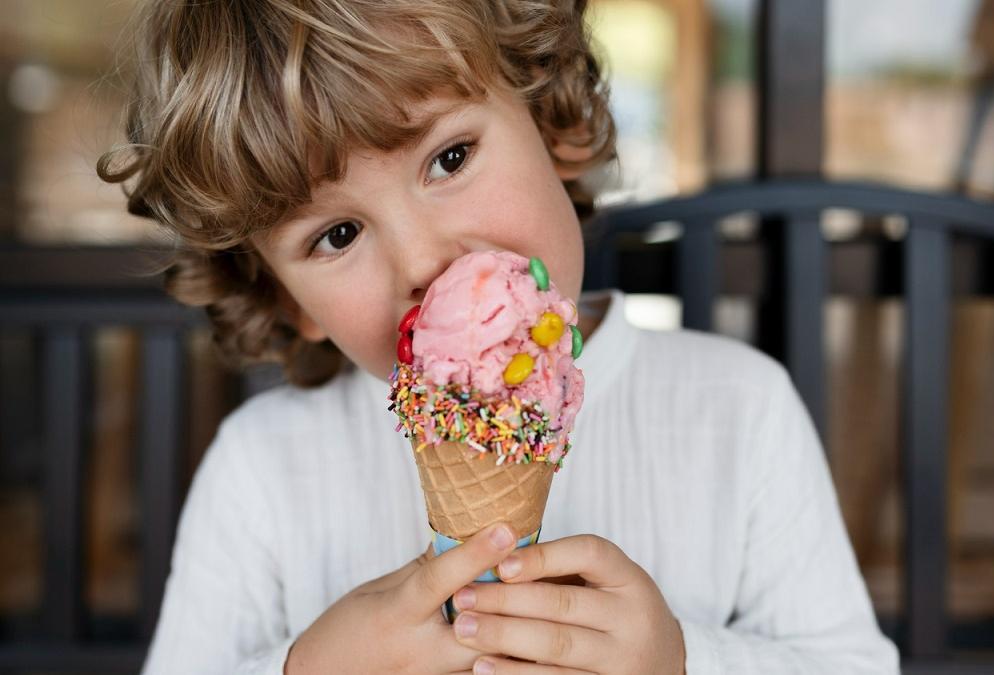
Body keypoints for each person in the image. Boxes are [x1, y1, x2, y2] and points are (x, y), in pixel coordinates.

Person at [98, 1, 899, 673]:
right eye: (337, 234)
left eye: (449, 157)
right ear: (287, 298)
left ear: (555, 128)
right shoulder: (260, 468)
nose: (422, 258)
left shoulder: (738, 408)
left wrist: (685, 660)